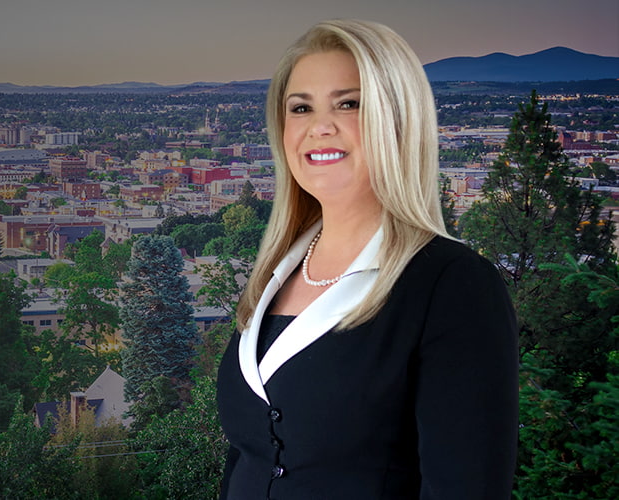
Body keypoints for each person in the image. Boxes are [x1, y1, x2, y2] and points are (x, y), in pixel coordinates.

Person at [215, 19, 517, 499]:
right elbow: (247, 460)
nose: (320, 127)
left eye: (349, 103)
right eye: (301, 108)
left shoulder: (452, 283)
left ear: (398, 120)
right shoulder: (273, 275)